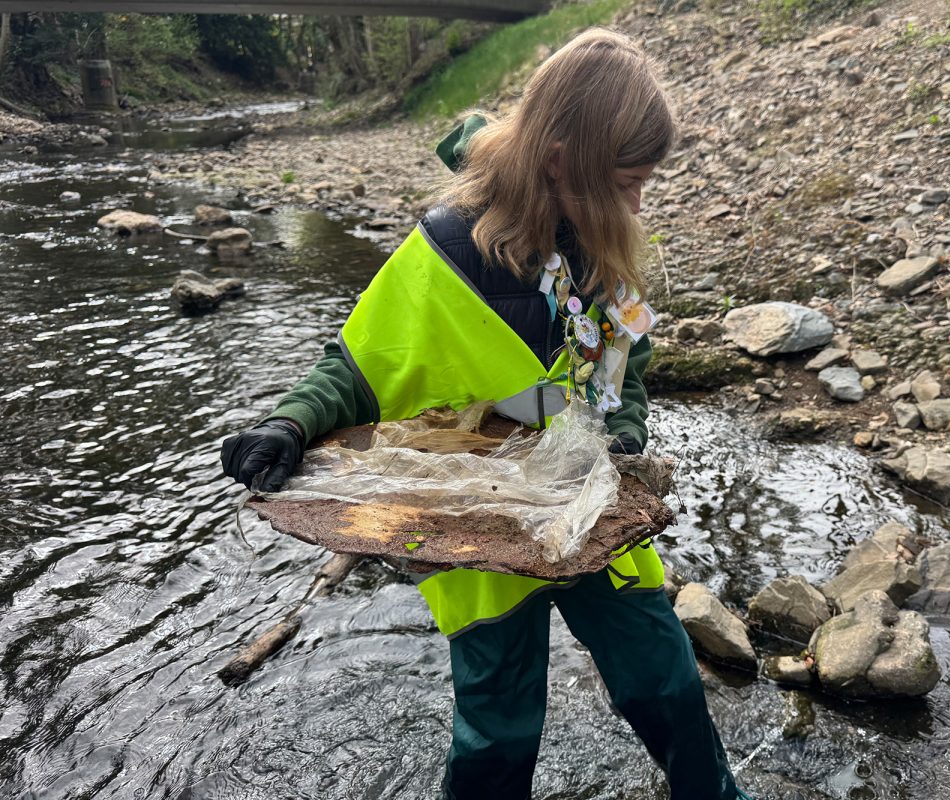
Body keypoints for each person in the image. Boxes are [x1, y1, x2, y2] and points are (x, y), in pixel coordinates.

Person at [220, 29, 748, 800]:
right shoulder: (446, 249)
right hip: (483, 505)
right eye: (627, 181)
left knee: (664, 678)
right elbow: (362, 366)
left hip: (592, 500)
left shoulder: (605, 242)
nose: (638, 203)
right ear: (562, 157)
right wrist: (291, 425)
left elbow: (624, 366)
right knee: (498, 722)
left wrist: (626, 434)